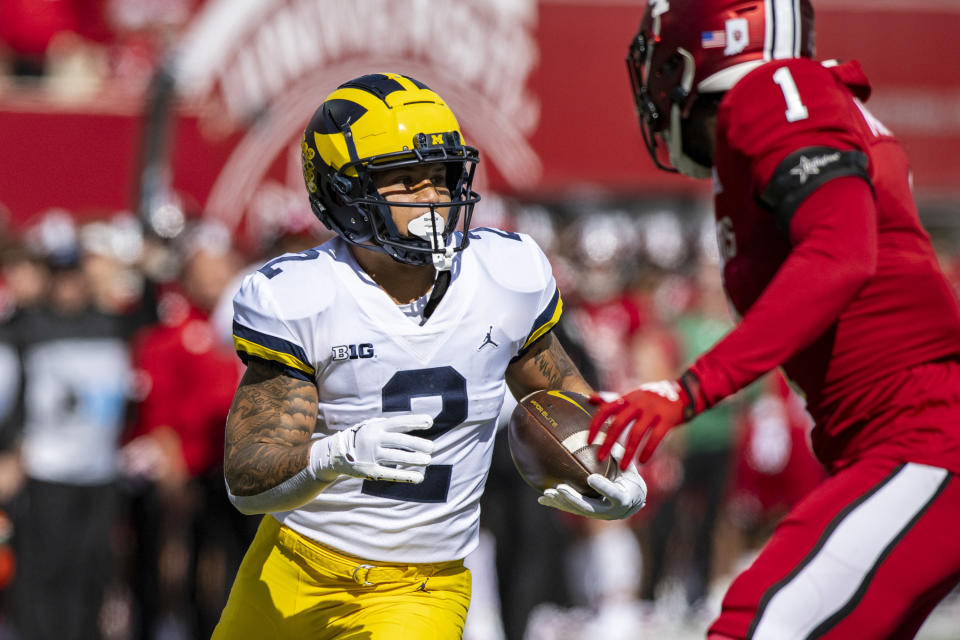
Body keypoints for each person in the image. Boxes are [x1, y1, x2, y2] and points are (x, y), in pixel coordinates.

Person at [212, 72, 648, 640]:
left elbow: (561, 395)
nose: (432, 197)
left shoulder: (504, 276)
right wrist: (334, 454)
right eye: (405, 179)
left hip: (418, 587)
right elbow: (247, 474)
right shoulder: (303, 296)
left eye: (439, 176)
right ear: (344, 192)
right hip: (292, 565)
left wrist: (616, 466)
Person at [589, 1, 960, 638]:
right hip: (889, 442)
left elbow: (841, 252)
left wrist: (689, 390)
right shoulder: (783, 109)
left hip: (924, 436)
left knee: (757, 625)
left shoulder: (774, 90)